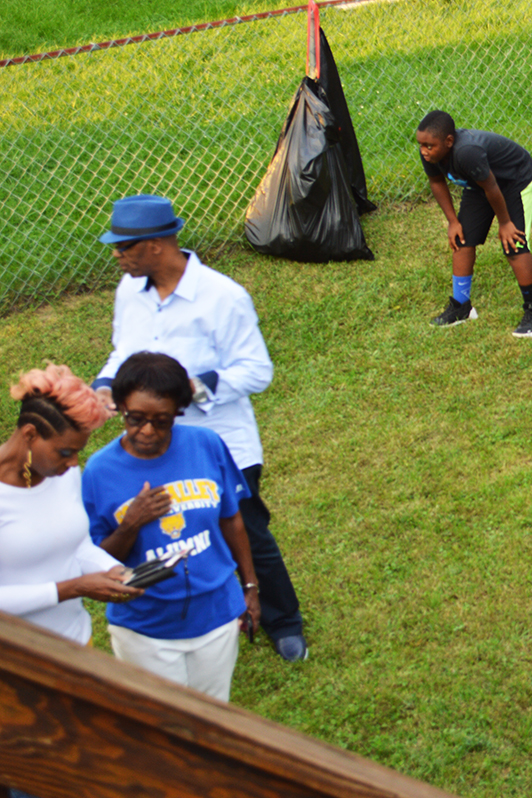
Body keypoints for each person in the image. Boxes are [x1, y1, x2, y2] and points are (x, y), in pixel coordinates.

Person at [92, 194, 307, 662]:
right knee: (164, 530)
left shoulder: (222, 297)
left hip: (220, 445)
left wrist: (191, 390)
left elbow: (257, 370)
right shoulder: (130, 292)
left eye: (123, 245)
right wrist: (107, 385)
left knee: (246, 530)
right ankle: (178, 613)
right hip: (150, 444)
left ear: (154, 246)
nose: (116, 254)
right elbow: (120, 350)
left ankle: (283, 621)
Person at [82, 353, 261, 702]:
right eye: (136, 418)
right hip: (146, 630)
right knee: (162, 723)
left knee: (213, 715)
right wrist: (131, 524)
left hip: (216, 616)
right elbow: (94, 560)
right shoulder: (99, 471)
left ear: (178, 412)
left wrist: (250, 586)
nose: (147, 430)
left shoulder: (206, 445)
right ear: (119, 408)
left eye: (161, 420)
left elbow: (231, 519)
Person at [0, 364, 142, 646]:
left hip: (75, 646)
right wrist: (73, 588)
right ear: (30, 434)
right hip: (13, 663)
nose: (74, 462)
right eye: (65, 451)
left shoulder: (62, 473)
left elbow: (77, 546)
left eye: (78, 452)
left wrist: (112, 570)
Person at [417, 110, 532, 337]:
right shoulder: (432, 151)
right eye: (421, 145)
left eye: (429, 146)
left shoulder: (467, 152)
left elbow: (493, 188)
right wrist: (452, 221)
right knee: (462, 239)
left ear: (449, 141)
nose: (423, 151)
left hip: (513, 180)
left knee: (514, 244)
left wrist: (505, 222)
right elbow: (436, 182)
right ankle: (461, 307)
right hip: (480, 184)